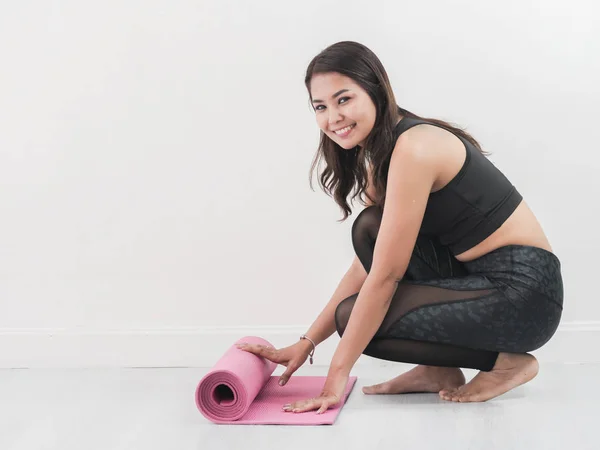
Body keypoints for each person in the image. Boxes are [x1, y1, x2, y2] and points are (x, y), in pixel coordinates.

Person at [237, 41, 563, 413]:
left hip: (526, 295)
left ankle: (506, 363)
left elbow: (386, 276)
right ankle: (439, 370)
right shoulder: (382, 155)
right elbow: (372, 263)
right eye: (321, 107)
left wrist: (335, 381)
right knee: (369, 229)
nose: (333, 117)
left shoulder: (414, 148)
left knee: (354, 316)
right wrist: (307, 342)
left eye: (344, 99)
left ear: (375, 91)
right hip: (478, 280)